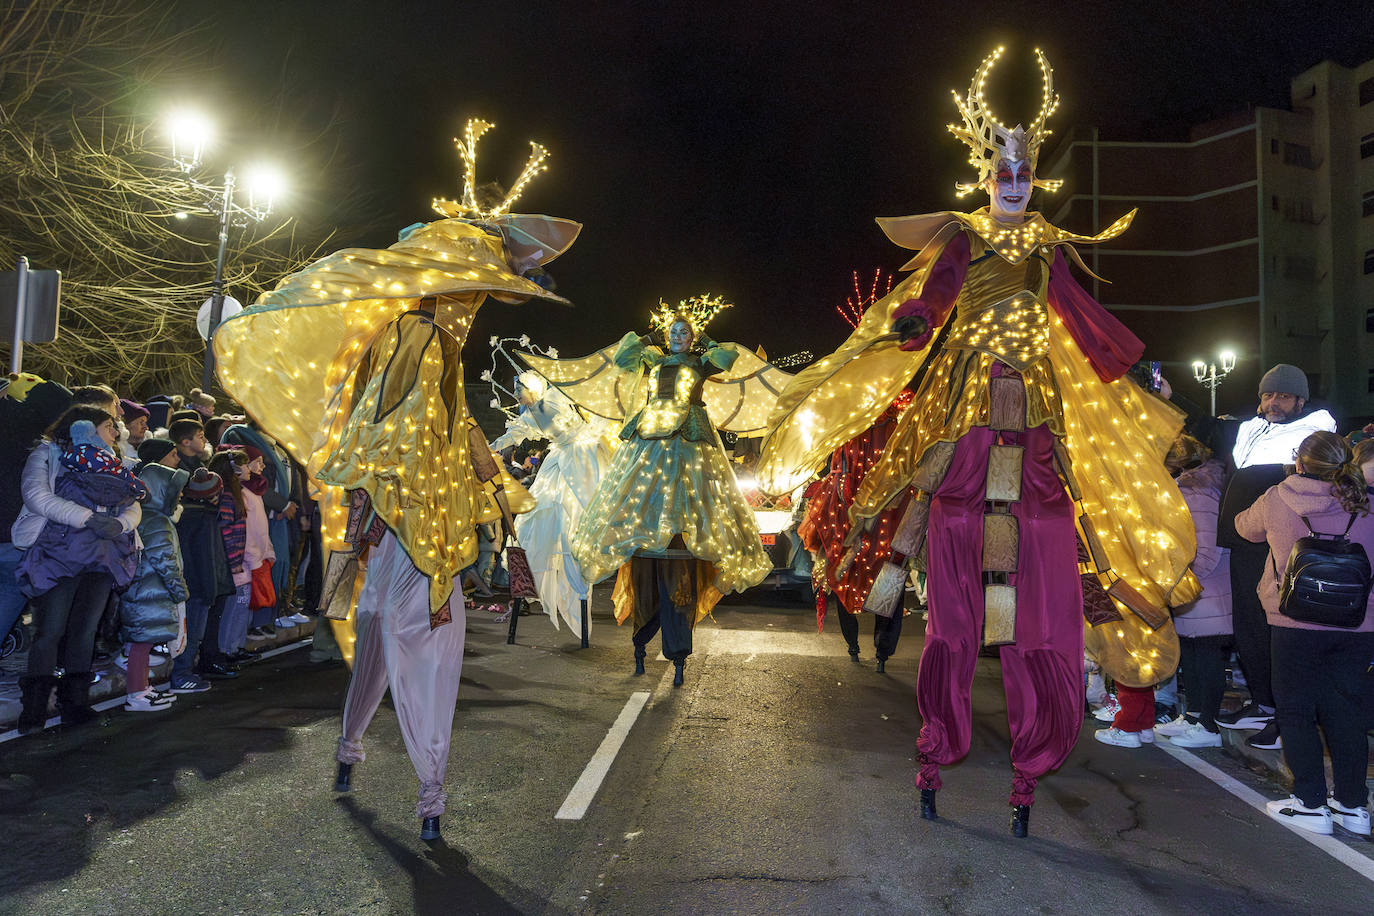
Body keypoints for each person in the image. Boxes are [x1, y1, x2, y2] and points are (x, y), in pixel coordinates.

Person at [756, 47, 1198, 837]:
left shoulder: (1051, 242)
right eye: (1005, 176)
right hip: (967, 403)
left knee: (1049, 589)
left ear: (1035, 181)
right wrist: (919, 320)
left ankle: (1033, 761)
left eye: (1025, 177)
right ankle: (937, 746)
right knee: (955, 601)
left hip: (1035, 411)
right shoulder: (963, 233)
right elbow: (937, 291)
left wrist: (1123, 374)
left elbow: (1076, 315)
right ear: (987, 177)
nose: (1016, 187)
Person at [211, 118, 581, 840]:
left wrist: (483, 469)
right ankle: (388, 763)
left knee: (399, 635)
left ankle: (400, 773)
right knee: (389, 631)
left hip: (418, 482)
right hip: (404, 488)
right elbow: (414, 402)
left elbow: (454, 398)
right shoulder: (424, 317)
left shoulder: (435, 340)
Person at [570, 299, 772, 686]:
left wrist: (707, 339)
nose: (678, 337)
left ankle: (679, 529)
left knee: (688, 483)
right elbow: (624, 355)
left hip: (689, 434)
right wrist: (651, 335)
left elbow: (729, 357)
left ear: (692, 338)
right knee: (649, 484)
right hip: (652, 432)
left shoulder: (700, 362)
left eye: (684, 333)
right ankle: (651, 532)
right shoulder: (652, 359)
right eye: (673, 332)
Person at [1235, 431, 1373, 837]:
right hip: (1357, 623)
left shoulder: (1279, 496)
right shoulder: (1365, 500)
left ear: (1300, 462)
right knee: (1347, 714)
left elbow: (1245, 528)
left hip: (1293, 622)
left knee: (1295, 711)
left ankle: (1310, 803)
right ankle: (1353, 806)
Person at [1216, 365, 1336, 750]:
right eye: (1268, 395)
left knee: (1279, 633)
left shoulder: (1316, 432)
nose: (1273, 403)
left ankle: (1286, 715)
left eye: (1283, 396)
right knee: (1249, 627)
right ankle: (1264, 702)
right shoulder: (1251, 427)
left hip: (1282, 549)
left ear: (1300, 400)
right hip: (1244, 544)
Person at [14, 407, 143, 733]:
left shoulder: (117, 462)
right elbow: (36, 497)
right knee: (50, 631)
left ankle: (75, 704)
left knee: (85, 630)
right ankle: (33, 710)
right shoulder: (47, 454)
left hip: (102, 556)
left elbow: (134, 503)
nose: (115, 432)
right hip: (59, 554)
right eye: (108, 426)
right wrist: (87, 519)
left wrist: (120, 523)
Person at [490, 371, 611, 637]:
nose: (515, 395)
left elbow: (584, 405)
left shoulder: (556, 397)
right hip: (559, 458)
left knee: (577, 508)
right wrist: (492, 448)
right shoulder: (529, 415)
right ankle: (540, 571)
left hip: (580, 453)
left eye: (518, 389)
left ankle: (580, 561)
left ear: (531, 387)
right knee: (542, 510)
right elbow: (515, 435)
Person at [799, 394, 914, 672]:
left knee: (878, 578)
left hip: (874, 515)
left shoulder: (886, 427)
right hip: (858, 515)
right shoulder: (855, 426)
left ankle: (874, 649)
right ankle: (874, 649)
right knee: (868, 576)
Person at [1157, 435, 1233, 748]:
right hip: (1197, 587)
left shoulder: (1197, 491)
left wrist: (1186, 576)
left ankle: (1208, 726)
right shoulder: (1193, 486)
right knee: (1192, 652)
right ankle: (1193, 716)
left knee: (1206, 655)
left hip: (1206, 587)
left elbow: (1206, 545)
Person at [119, 457, 190, 712]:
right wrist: (180, 592)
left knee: (143, 644)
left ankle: (142, 688)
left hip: (146, 593)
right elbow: (165, 561)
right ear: (161, 491)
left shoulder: (150, 517)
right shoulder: (157, 521)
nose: (180, 494)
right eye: (175, 490)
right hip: (150, 594)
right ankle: (137, 694)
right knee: (141, 645)